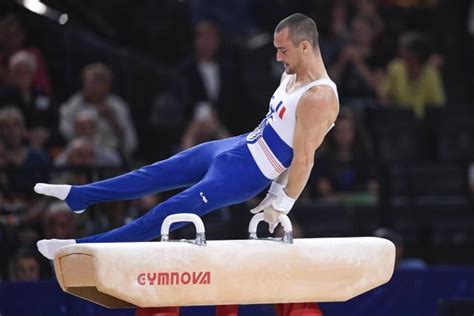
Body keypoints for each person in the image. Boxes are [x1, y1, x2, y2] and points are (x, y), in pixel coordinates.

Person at [35, 14, 339, 263]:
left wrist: (280, 202)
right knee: (154, 173)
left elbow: (303, 159)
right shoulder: (291, 75)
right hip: (236, 146)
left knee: (164, 213)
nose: (276, 57)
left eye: (282, 50)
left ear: (304, 47)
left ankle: (77, 247)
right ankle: (80, 196)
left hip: (247, 173)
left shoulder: (320, 97)